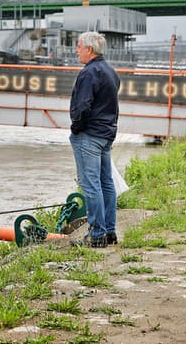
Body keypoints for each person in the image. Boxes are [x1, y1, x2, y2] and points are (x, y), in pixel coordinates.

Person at [69, 31, 120, 248]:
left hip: (89, 135)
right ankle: (109, 231)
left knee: (91, 185)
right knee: (106, 183)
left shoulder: (89, 73)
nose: (76, 50)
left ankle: (96, 234)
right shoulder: (110, 71)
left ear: (89, 49)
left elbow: (82, 106)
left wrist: (76, 128)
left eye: (79, 46)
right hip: (106, 134)